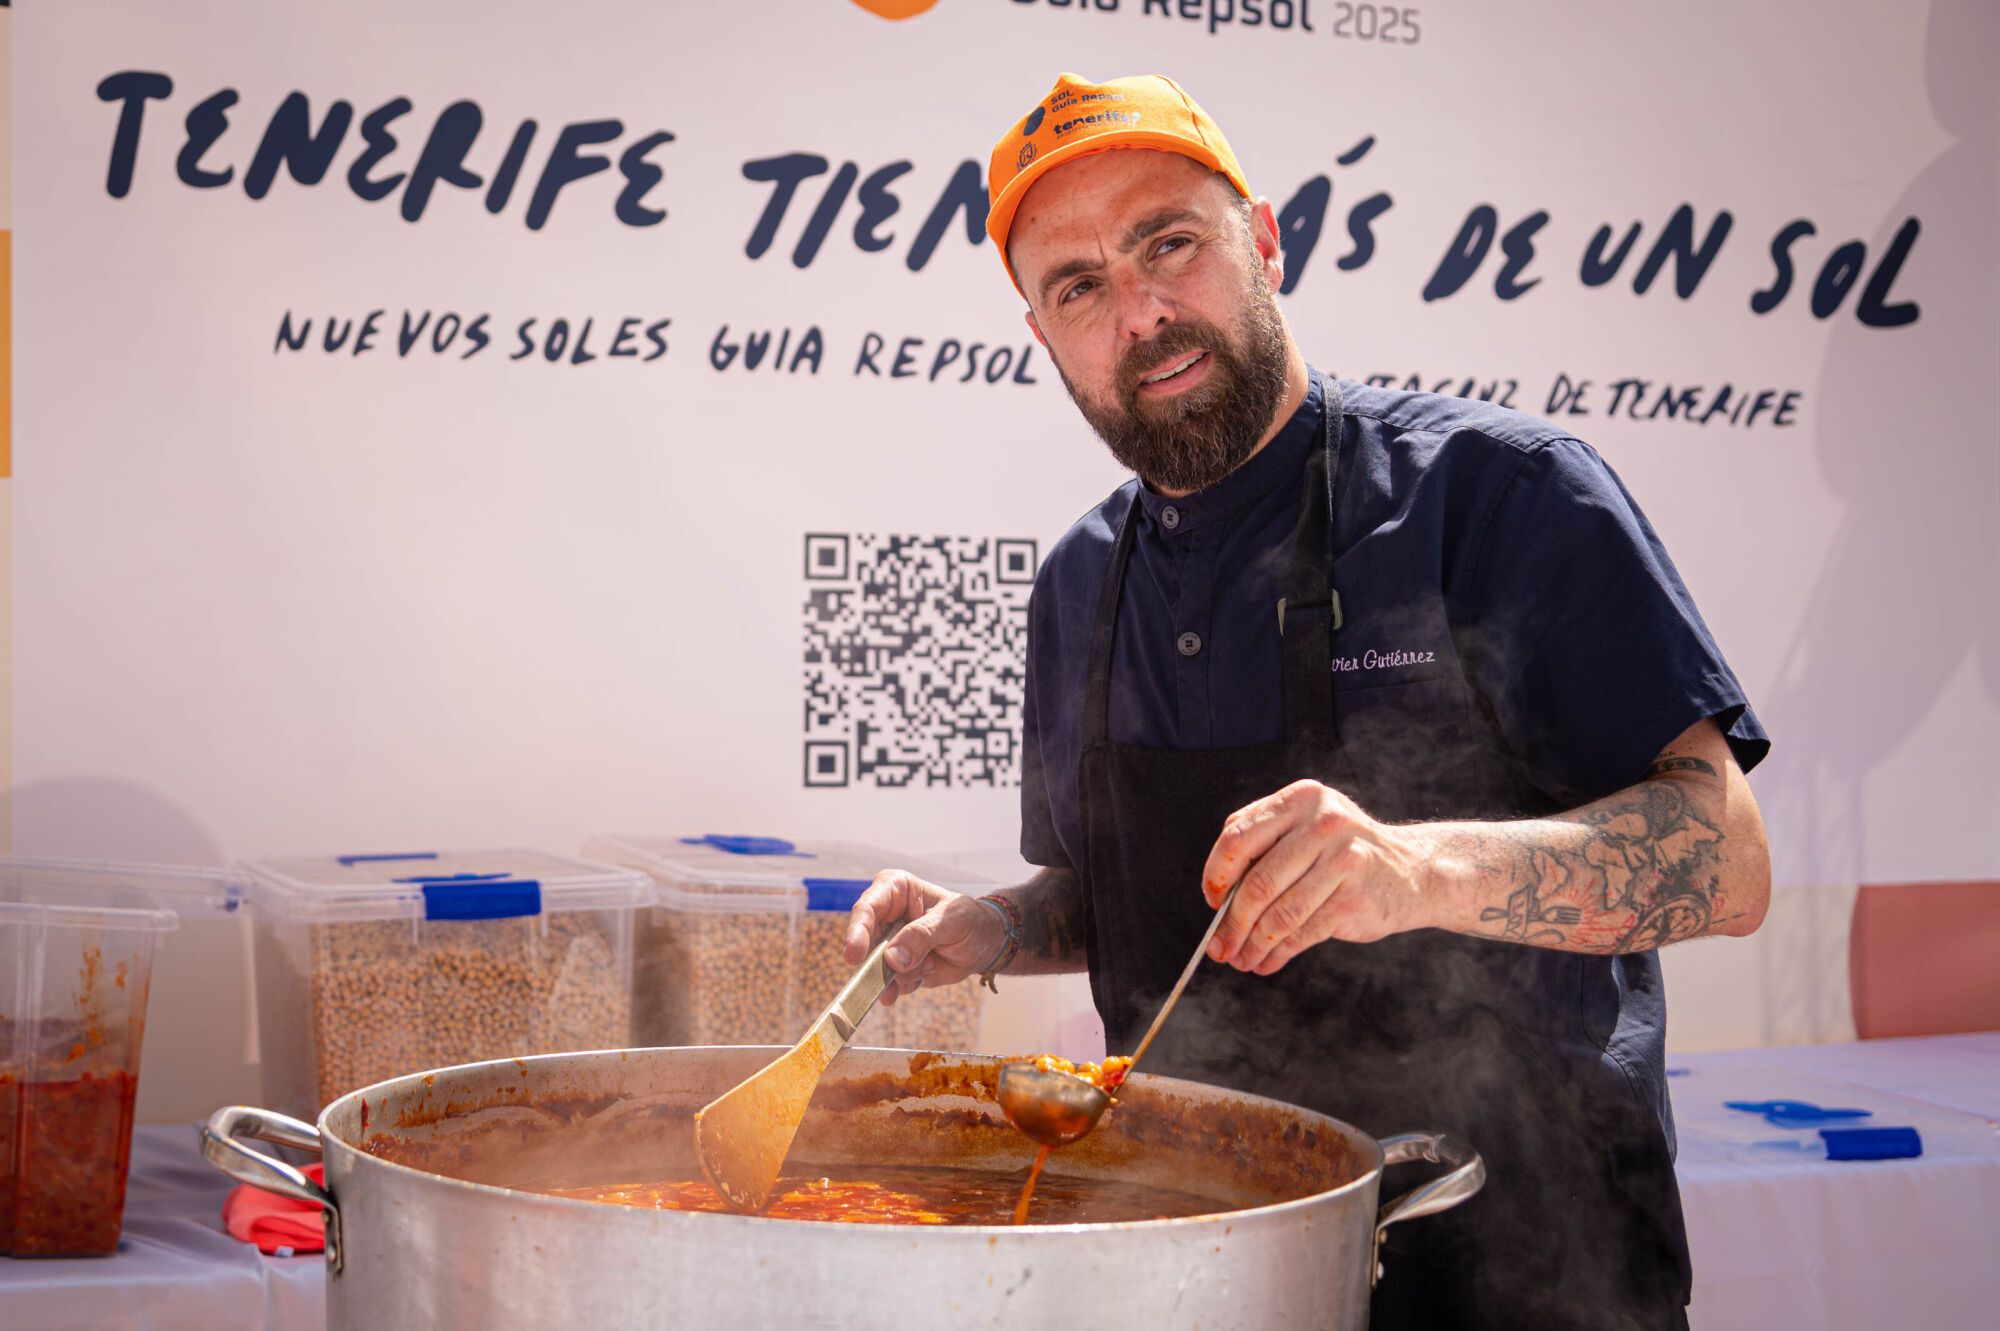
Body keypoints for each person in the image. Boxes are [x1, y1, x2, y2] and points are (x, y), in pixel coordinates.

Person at [843, 72, 1770, 1330]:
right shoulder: (1077, 580)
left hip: (1523, 1252)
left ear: (1263, 242)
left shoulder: (1497, 496)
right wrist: (998, 927)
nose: (1143, 311)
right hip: (1195, 1249)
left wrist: (1417, 869)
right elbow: (1117, 895)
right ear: (1043, 336)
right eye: (1079, 286)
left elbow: (1725, 859)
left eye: (1168, 242)